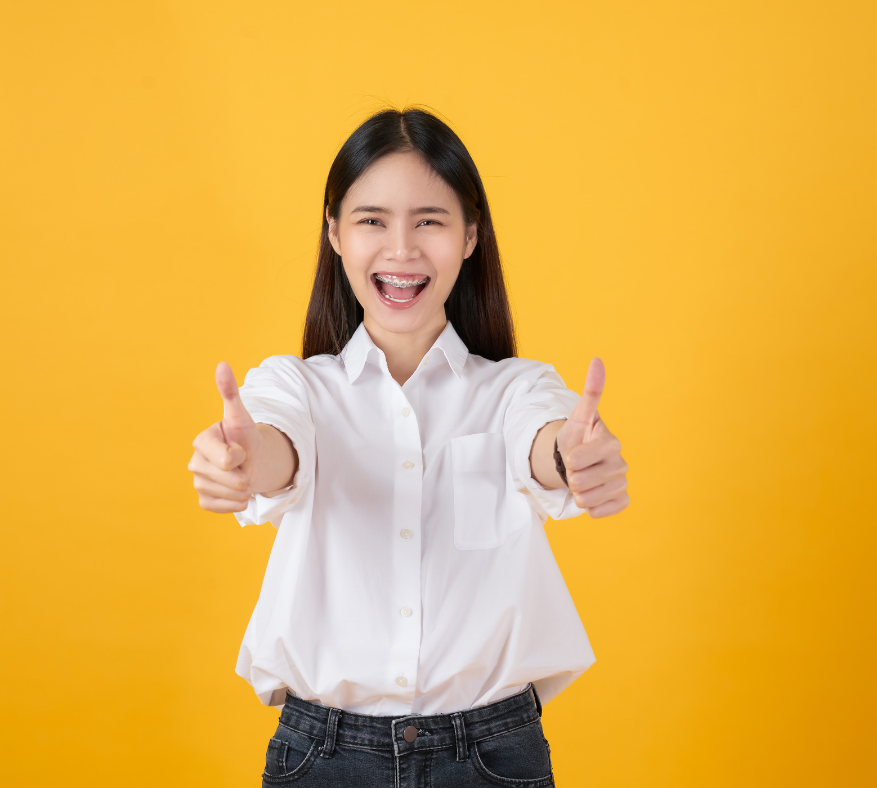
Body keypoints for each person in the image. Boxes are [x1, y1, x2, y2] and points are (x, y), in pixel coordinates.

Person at [188, 108, 629, 787]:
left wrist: (573, 457)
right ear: (334, 233)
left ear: (470, 235)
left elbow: (542, 440)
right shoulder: (296, 387)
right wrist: (245, 462)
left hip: (490, 758)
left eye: (429, 220)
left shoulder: (516, 390)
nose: (401, 249)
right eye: (371, 221)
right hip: (323, 759)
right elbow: (280, 446)